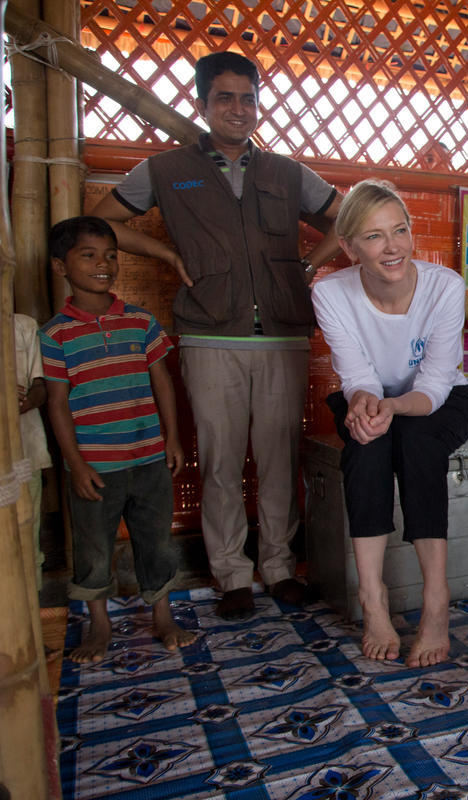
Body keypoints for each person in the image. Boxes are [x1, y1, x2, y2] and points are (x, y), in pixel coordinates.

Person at [91, 51, 344, 620]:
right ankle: (230, 574)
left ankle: (279, 567)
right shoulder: (165, 169)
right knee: (221, 462)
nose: (238, 108)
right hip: (208, 333)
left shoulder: (287, 172)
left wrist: (308, 265)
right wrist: (163, 252)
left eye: (248, 98)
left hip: (282, 335)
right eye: (224, 97)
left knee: (279, 460)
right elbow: (102, 221)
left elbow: (350, 217)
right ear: (202, 104)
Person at [311, 180, 468, 667]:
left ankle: (436, 599)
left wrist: (393, 408)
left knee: (417, 440)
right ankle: (372, 596)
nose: (392, 247)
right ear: (349, 248)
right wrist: (367, 403)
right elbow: (357, 375)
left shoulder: (445, 286)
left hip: (440, 398)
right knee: (366, 445)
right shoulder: (330, 292)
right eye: (374, 236)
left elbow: (436, 382)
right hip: (370, 394)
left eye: (399, 230)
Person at [40, 216, 197, 662]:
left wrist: (172, 438)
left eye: (110, 255)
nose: (103, 264)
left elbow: (162, 381)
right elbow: (57, 403)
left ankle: (163, 615)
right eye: (88, 255)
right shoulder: (55, 335)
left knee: (156, 541)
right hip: (95, 466)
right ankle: (99, 623)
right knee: (93, 547)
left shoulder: (140, 321)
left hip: (149, 456)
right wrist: (76, 464)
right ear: (60, 266)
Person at [14, 312, 52, 590]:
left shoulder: (23, 326)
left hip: (26, 450)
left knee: (28, 533)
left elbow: (40, 387)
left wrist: (25, 400)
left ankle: (31, 604)